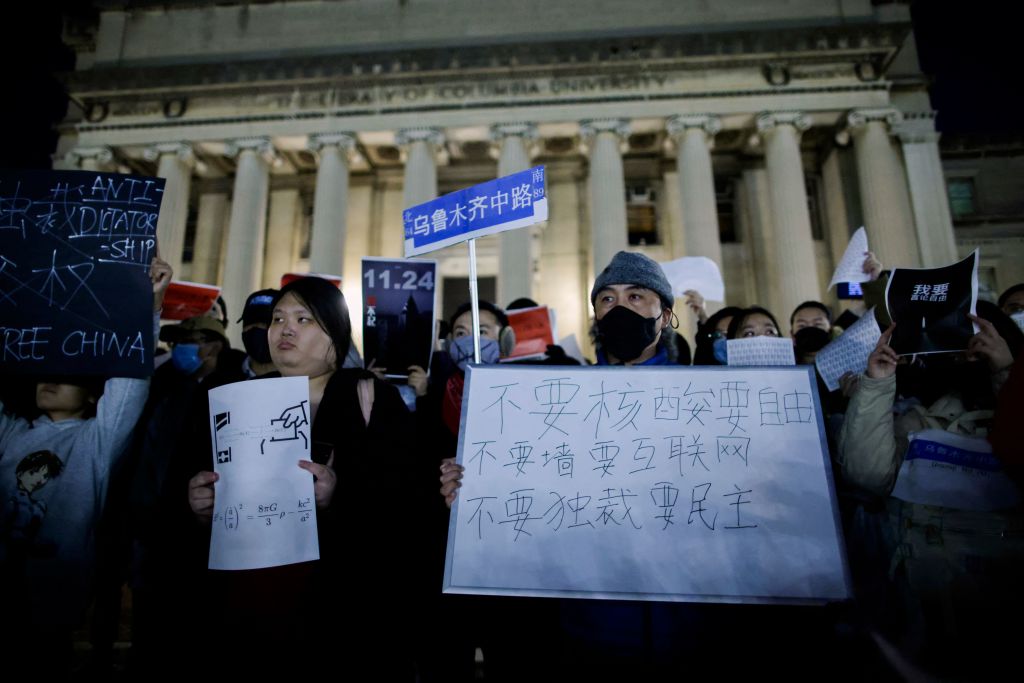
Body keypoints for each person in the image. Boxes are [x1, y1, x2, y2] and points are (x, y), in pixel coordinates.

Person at [185, 276, 422, 678]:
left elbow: (404, 499)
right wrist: (200, 503)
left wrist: (337, 496)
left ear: (336, 335)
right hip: (254, 596)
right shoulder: (237, 399)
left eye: (304, 319)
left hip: (339, 603)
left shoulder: (372, 398)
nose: (285, 329)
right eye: (278, 319)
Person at [0, 256, 170, 676]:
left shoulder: (96, 441)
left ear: (93, 396)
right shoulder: (10, 434)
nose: (50, 380)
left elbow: (130, 384)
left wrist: (147, 308)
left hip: (51, 599)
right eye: (46, 371)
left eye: (68, 373)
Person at [837, 301, 1024, 678]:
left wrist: (1007, 372)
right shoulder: (913, 414)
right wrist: (877, 383)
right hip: (922, 594)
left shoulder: (1011, 399)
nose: (966, 351)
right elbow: (867, 475)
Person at [237, 288, 278, 378]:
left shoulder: (305, 383)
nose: (258, 327)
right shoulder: (219, 381)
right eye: (250, 321)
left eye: (266, 322)